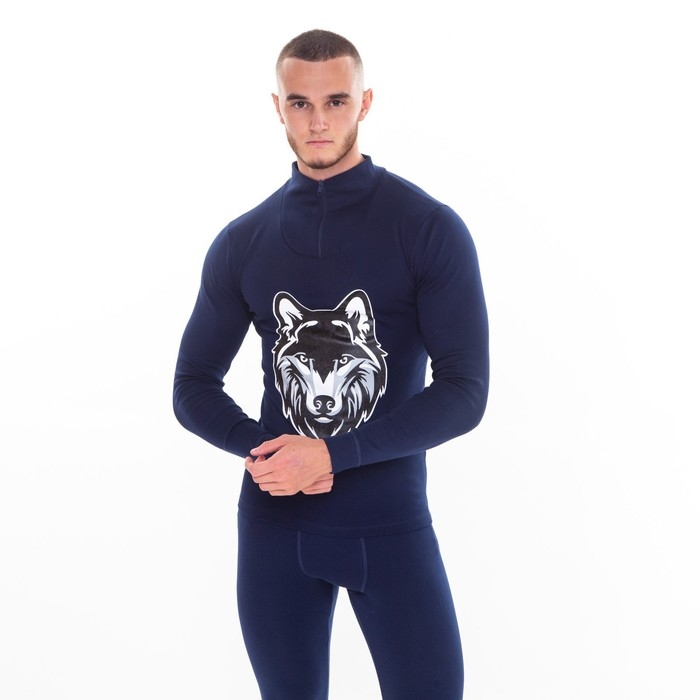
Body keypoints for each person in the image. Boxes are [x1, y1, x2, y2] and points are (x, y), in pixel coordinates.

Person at [173, 28, 489, 700]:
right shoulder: (244, 240)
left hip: (389, 527)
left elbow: (465, 391)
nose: (317, 121)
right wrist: (267, 451)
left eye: (335, 101)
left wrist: (330, 455)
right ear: (278, 107)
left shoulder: (426, 227)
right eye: (300, 103)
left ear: (365, 103)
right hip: (274, 531)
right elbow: (192, 386)